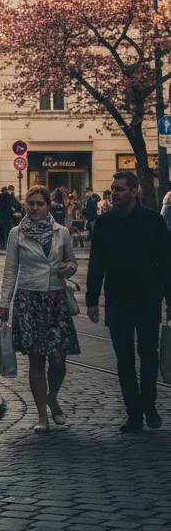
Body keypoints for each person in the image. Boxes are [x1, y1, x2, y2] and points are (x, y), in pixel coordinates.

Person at [85, 171, 171, 432]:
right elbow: (96, 263)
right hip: (117, 299)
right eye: (113, 189)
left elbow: (166, 263)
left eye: (120, 189)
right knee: (124, 359)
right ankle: (134, 413)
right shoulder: (104, 223)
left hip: (147, 298)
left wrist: (169, 299)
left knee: (149, 355)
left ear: (135, 191)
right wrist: (92, 299)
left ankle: (149, 403)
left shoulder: (153, 221)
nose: (114, 193)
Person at [0, 185, 80, 433]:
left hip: (55, 299)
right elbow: (11, 269)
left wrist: (68, 268)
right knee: (36, 361)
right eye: (30, 204)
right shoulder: (16, 233)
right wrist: (5, 303)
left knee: (58, 360)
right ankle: (42, 416)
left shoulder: (62, 232)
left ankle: (52, 396)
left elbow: (73, 263)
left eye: (39, 204)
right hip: (29, 299)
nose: (34, 208)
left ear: (48, 206)